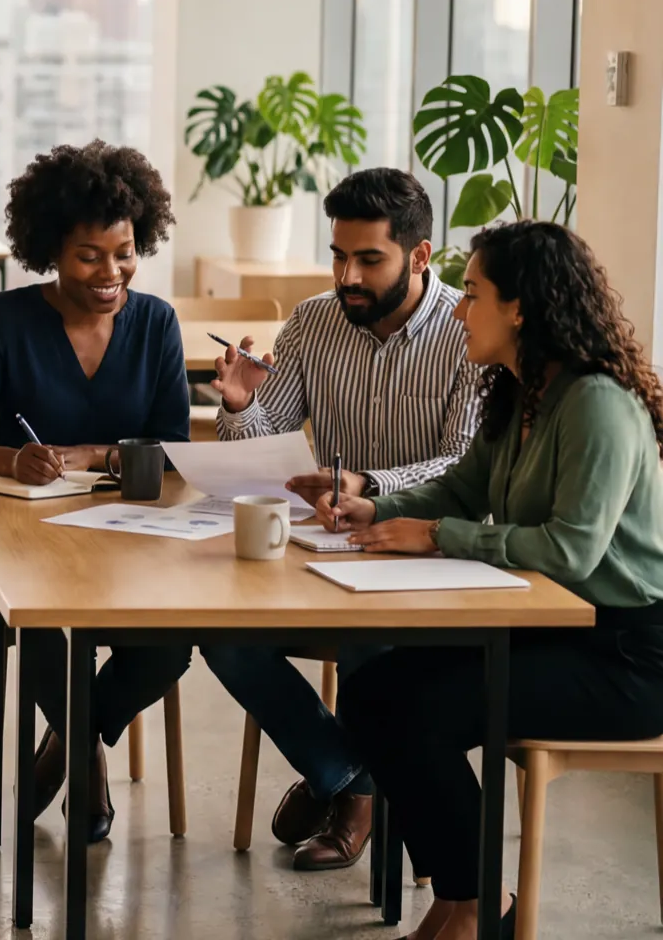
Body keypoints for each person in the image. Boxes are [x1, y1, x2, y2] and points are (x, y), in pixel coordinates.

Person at [324, 221, 663, 940]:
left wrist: (440, 537)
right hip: (552, 630)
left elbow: (570, 552)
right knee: (374, 693)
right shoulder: (521, 392)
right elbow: (457, 488)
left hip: (629, 659)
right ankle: (466, 897)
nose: (456, 309)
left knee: (417, 711)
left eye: (471, 294)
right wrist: (374, 508)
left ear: (520, 308)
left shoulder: (596, 403)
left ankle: (477, 907)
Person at [201, 167, 480, 871]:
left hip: (422, 555)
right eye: (338, 255)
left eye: (368, 259)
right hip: (321, 548)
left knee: (371, 647)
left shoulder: (466, 333)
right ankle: (348, 777)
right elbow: (268, 440)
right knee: (219, 632)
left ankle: (353, 796)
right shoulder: (315, 321)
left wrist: (373, 487)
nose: (347, 275)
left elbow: (462, 468)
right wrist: (239, 406)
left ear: (419, 257)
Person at [0, 140, 192, 844]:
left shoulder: (156, 324)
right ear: (52, 248)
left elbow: (175, 446)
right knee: (40, 621)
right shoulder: (4, 320)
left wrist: (95, 456)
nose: (112, 272)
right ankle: (87, 759)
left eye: (126, 251)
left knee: (174, 641)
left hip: (134, 542)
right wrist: (12, 459)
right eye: (90, 255)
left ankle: (67, 751)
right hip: (16, 540)